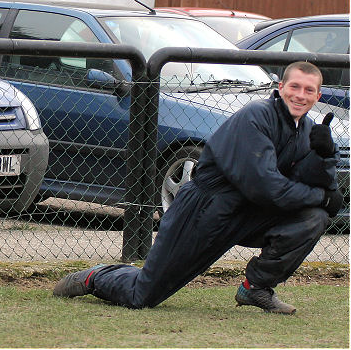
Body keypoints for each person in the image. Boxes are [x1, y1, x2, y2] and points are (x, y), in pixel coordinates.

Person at [53, 61, 343, 314]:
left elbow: (324, 188)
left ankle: (256, 287)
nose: (300, 95)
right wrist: (320, 196)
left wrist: (324, 155)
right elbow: (267, 188)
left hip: (249, 214)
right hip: (205, 210)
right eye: (295, 87)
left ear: (318, 96)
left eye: (308, 90)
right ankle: (94, 277)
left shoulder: (306, 131)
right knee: (142, 296)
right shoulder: (256, 116)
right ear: (281, 87)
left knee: (313, 217)